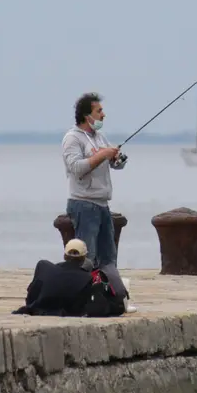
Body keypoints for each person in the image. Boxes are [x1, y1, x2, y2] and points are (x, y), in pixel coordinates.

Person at [61, 92, 127, 268]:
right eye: (99, 111)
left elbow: (113, 165)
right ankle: (84, 291)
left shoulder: (100, 137)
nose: (103, 115)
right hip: (83, 204)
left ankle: (106, 292)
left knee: (108, 257)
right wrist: (103, 154)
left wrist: (116, 159)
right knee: (87, 257)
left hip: (103, 204)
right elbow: (76, 168)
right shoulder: (72, 138)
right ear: (86, 115)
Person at [11, 239, 94, 316]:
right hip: (64, 311)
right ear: (84, 258)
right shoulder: (86, 278)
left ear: (65, 256)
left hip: (38, 306)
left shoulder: (44, 267)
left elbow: (33, 289)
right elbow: (81, 306)